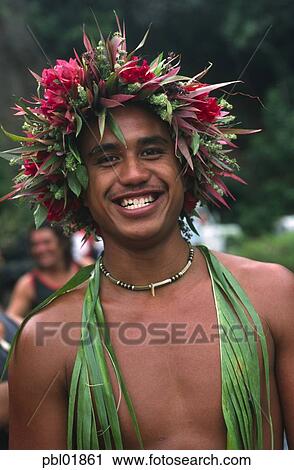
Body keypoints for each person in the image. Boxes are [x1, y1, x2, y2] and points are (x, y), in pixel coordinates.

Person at [1, 20, 293, 450]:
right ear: (76, 189)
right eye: (106, 158)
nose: (134, 174)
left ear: (186, 168)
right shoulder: (46, 339)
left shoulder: (272, 294)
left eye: (152, 151)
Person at [6, 224, 80, 323]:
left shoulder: (86, 270)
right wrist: (32, 329)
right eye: (35, 244)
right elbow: (10, 318)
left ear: (62, 243)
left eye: (47, 242)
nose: (40, 250)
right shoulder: (28, 283)